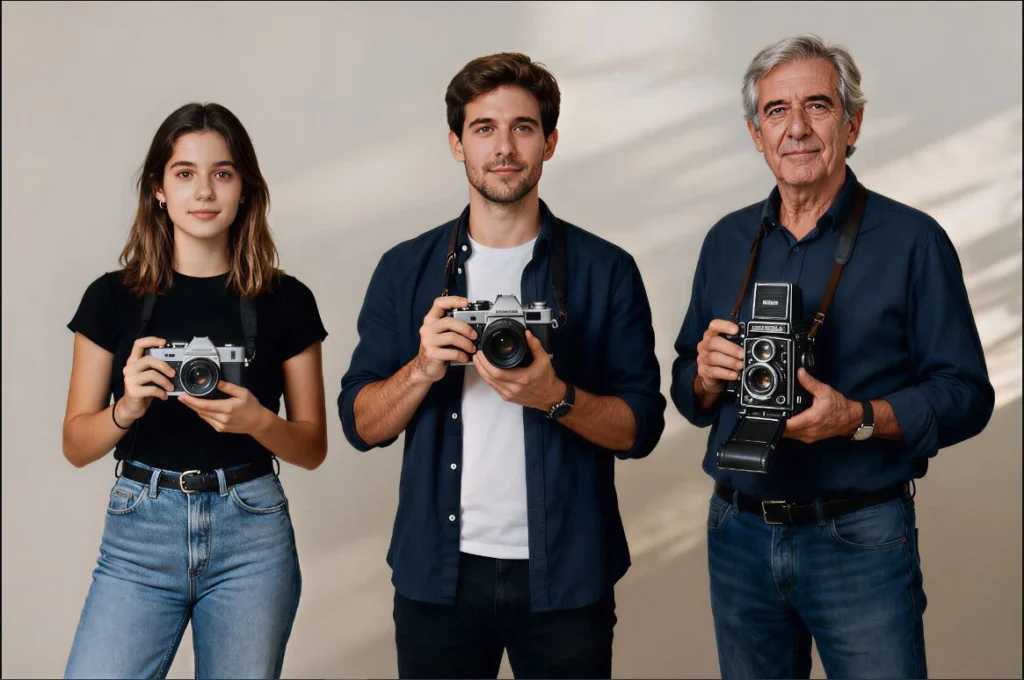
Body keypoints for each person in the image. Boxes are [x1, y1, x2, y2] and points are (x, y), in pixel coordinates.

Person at [670, 34, 996, 679]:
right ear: (754, 132)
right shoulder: (726, 240)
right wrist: (705, 377)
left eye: (817, 106)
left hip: (861, 535)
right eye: (775, 111)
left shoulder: (912, 240)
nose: (796, 128)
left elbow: (967, 395)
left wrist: (858, 417)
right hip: (737, 532)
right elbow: (687, 392)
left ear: (853, 124)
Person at [339, 52, 666, 679]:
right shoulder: (404, 270)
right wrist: (422, 369)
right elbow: (361, 425)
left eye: (523, 127)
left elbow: (640, 429)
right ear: (456, 143)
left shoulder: (606, 270)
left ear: (550, 142)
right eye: (484, 128)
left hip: (568, 573)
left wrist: (554, 395)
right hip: (439, 573)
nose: (504, 146)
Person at [62, 102, 329, 679]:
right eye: (184, 173)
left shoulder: (288, 300)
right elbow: (76, 444)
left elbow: (311, 448)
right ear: (158, 189)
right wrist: (126, 408)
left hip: (251, 532)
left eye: (223, 173)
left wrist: (258, 421)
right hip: (140, 530)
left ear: (245, 190)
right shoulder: (112, 298)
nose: (203, 191)